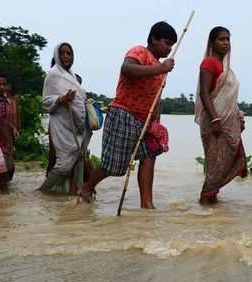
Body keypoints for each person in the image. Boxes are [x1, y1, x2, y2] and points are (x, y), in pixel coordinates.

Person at [79, 21, 177, 208]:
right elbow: (128, 69)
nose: (169, 49)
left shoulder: (159, 68)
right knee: (113, 165)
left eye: (172, 45)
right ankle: (87, 188)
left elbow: (156, 98)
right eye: (166, 43)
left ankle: (147, 205)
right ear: (154, 39)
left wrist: (156, 123)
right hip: (124, 113)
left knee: (150, 156)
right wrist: (161, 68)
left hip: (145, 120)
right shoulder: (140, 51)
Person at [195, 26, 247, 204]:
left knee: (224, 163)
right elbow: (204, 93)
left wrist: (237, 117)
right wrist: (215, 118)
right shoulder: (209, 63)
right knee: (214, 167)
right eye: (221, 39)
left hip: (227, 122)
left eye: (228, 39)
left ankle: (211, 205)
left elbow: (229, 98)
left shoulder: (225, 67)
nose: (226, 43)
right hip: (214, 123)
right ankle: (206, 209)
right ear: (212, 42)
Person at [39, 43, 92, 195]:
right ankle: (42, 191)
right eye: (63, 53)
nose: (66, 56)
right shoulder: (53, 75)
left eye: (69, 53)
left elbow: (80, 99)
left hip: (77, 125)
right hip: (61, 125)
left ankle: (75, 193)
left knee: (79, 162)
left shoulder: (73, 77)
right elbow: (46, 101)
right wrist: (62, 99)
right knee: (63, 165)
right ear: (57, 55)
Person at [0, 71, 19, 181]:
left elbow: (6, 120)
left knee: (9, 168)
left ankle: (3, 191)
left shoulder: (7, 102)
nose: (2, 87)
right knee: (1, 168)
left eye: (4, 84)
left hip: (6, 139)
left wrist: (13, 129)